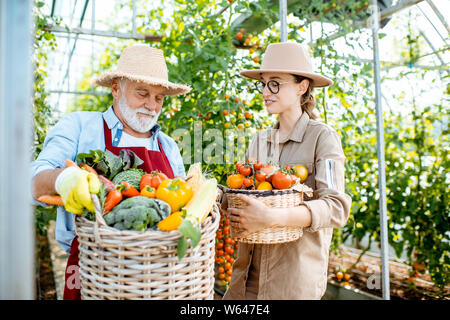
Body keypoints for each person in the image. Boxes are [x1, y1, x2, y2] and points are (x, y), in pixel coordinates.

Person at [31, 44, 191, 300]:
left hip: (161, 277)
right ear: (116, 88)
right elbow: (32, 183)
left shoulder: (168, 145)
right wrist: (64, 179)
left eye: (159, 97)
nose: (152, 105)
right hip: (93, 272)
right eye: (143, 93)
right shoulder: (80, 127)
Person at [222, 42, 352, 300]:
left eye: (275, 83)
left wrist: (273, 217)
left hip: (292, 283)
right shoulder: (260, 140)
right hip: (245, 279)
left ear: (302, 86)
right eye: (263, 83)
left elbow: (336, 207)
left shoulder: (322, 138)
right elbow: (245, 192)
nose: (265, 91)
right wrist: (214, 196)